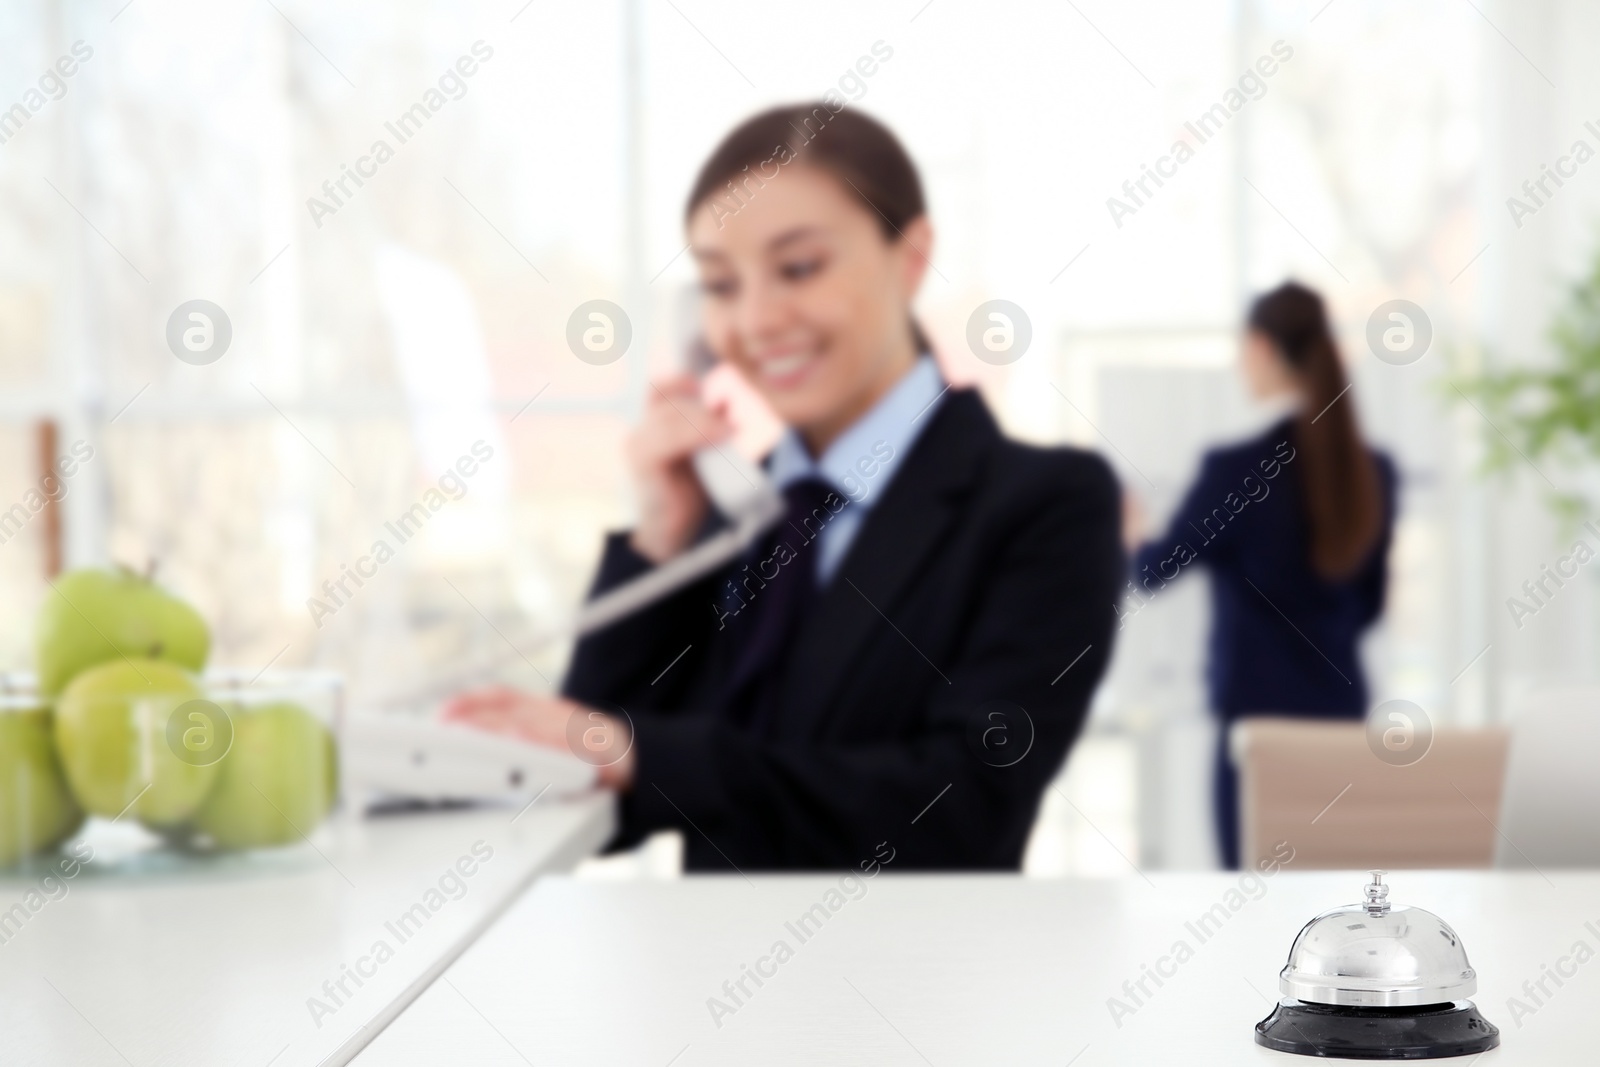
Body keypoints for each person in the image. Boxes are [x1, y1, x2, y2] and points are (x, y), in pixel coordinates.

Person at [445, 103, 1123, 870]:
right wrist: (660, 538)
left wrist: (646, 756)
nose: (757, 319)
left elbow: (962, 805)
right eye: (720, 284)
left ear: (911, 256)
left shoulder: (1045, 503)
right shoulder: (737, 515)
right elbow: (596, 779)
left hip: (923, 976)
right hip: (703, 970)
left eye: (799, 267)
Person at [1127, 281, 1396, 870]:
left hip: (1257, 738)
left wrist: (1127, 534)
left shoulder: (1234, 473)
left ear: (1261, 348)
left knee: (1250, 910)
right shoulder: (1374, 471)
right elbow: (1371, 605)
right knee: (1338, 912)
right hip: (1342, 725)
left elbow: (1154, 570)